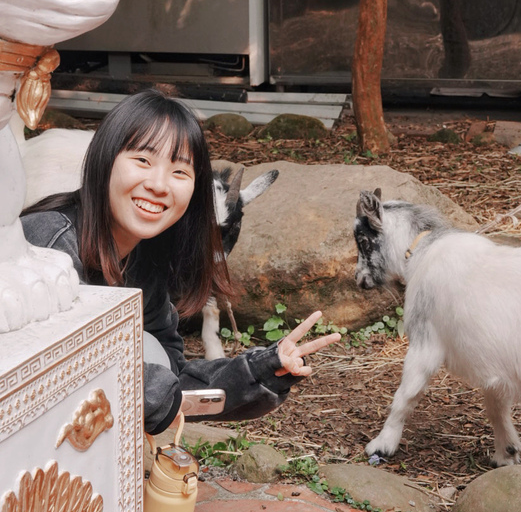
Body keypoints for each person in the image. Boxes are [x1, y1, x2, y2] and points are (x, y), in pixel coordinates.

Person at [20, 89, 340, 434]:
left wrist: (260, 369)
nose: (159, 185)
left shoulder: (145, 257)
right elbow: (66, 366)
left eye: (180, 172)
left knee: (150, 349)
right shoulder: (48, 243)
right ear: (104, 160)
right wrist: (161, 396)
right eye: (143, 160)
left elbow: (170, 375)